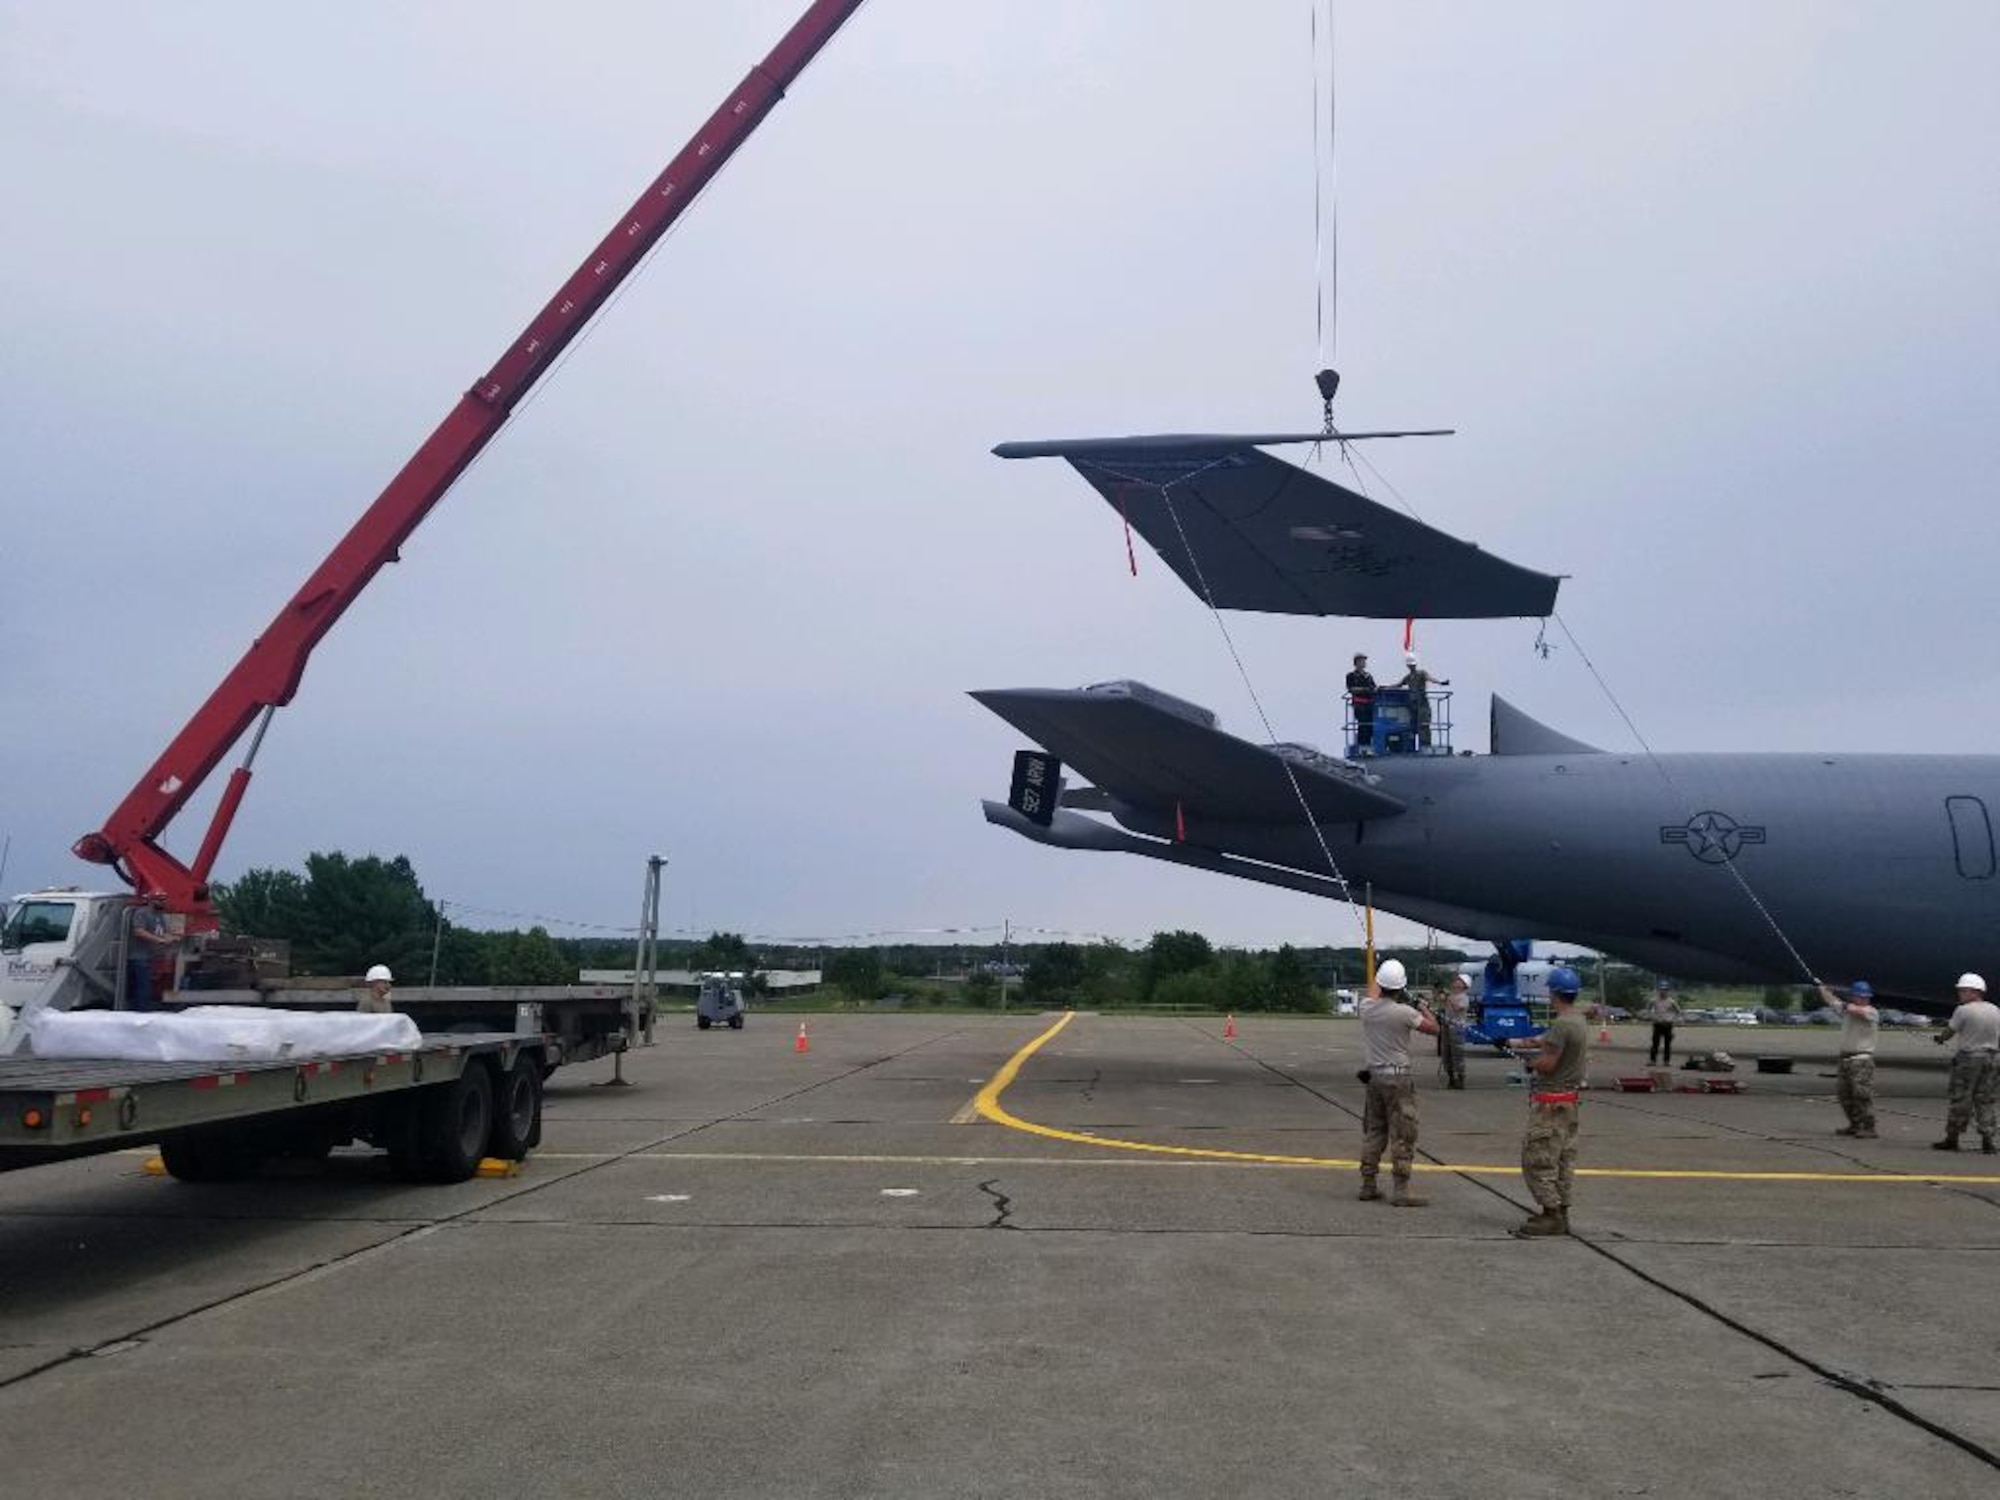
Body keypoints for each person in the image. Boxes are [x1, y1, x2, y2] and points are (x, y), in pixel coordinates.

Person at [1508, 965, 1590, 1237]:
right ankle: (1561, 1211)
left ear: (1553, 993)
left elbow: (1548, 1064)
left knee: (1537, 1158)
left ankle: (1550, 1214)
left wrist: (1530, 1062)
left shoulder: (1561, 1024)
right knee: (1563, 1160)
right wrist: (1521, 1042)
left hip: (1550, 1103)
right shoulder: (1577, 1021)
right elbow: (1549, 1042)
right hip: (1569, 1102)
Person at [1357, 959, 1439, 1207]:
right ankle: (1401, 1189)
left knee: (1374, 1130)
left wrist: (1379, 968)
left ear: (1380, 984)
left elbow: (1374, 991)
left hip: (1375, 1077)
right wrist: (1424, 1007)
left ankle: (1368, 1184)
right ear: (1401, 988)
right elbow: (1435, 1029)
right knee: (1403, 1132)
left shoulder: (1367, 1008)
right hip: (1398, 1077)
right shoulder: (1405, 1013)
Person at [1934, 972, 1999, 1154]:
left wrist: (1940, 1039)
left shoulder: (1963, 1010)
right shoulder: (1995, 1010)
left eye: (1963, 991)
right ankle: (1988, 1140)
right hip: (1992, 1059)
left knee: (1961, 1098)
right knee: (1985, 1100)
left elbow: (1950, 1030)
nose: (1960, 994)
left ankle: (1952, 1138)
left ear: (1974, 992)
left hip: (1969, 1059)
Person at [1818, 979, 1878, 1139]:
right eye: (1860, 996)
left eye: (1866, 997)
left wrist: (1844, 1004)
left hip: (1862, 1059)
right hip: (1845, 1059)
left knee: (1862, 1095)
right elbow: (1832, 1002)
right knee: (1844, 1095)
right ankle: (1855, 1124)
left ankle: (1869, 1126)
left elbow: (1855, 1010)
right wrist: (1823, 989)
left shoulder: (1871, 1012)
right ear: (1854, 997)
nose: (1864, 999)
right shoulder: (1848, 1010)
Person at [125, 893, 175, 1012]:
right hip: (139, 956)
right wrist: (159, 940)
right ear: (152, 900)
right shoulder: (142, 913)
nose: (163, 902)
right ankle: (140, 1012)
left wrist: (170, 938)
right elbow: (139, 931)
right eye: (160, 900)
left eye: (164, 900)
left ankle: (142, 1009)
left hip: (150, 956)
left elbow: (162, 931)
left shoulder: (160, 915)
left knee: (146, 986)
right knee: (142, 987)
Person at [1397, 652, 1450, 750]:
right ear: (1408, 666)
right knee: (1413, 726)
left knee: (1424, 725)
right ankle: (1411, 747)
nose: (1412, 666)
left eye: (1413, 665)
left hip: (1422, 704)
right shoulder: (1408, 677)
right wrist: (1385, 687)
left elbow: (1430, 678)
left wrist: (1440, 682)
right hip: (1413, 706)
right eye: (1410, 665)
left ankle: (1425, 747)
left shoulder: (1422, 673)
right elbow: (1398, 684)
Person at [1439, 973, 1470, 1089]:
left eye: (1459, 981)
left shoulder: (1464, 997)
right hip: (1447, 1026)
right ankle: (1451, 1078)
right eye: (1456, 980)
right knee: (1446, 1054)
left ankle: (1460, 1079)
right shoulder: (1451, 995)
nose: (1456, 982)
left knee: (1458, 1054)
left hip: (1457, 1028)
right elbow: (1441, 1001)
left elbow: (1458, 1008)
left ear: (1464, 985)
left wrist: (1449, 998)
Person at [1643, 978, 1682, 1066]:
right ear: (1658, 990)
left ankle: (1666, 1061)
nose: (1663, 992)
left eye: (1665, 990)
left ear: (1668, 991)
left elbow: (1678, 1011)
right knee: (1655, 1043)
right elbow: (1648, 1009)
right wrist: (1651, 1016)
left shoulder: (1671, 1001)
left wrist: (1673, 1019)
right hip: (1657, 1024)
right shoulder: (1654, 1000)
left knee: (1667, 1044)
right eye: (1661, 990)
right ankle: (1653, 1060)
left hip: (1668, 1024)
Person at [1345, 652, 1377, 755]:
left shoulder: (1368, 676)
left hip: (1370, 704)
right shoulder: (1351, 676)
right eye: (1361, 661)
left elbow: (1373, 687)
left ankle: (1368, 746)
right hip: (1359, 704)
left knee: (1370, 725)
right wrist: (1365, 690)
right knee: (1362, 725)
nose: (1363, 663)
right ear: (1356, 662)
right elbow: (1351, 689)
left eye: (1364, 661)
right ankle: (1363, 746)